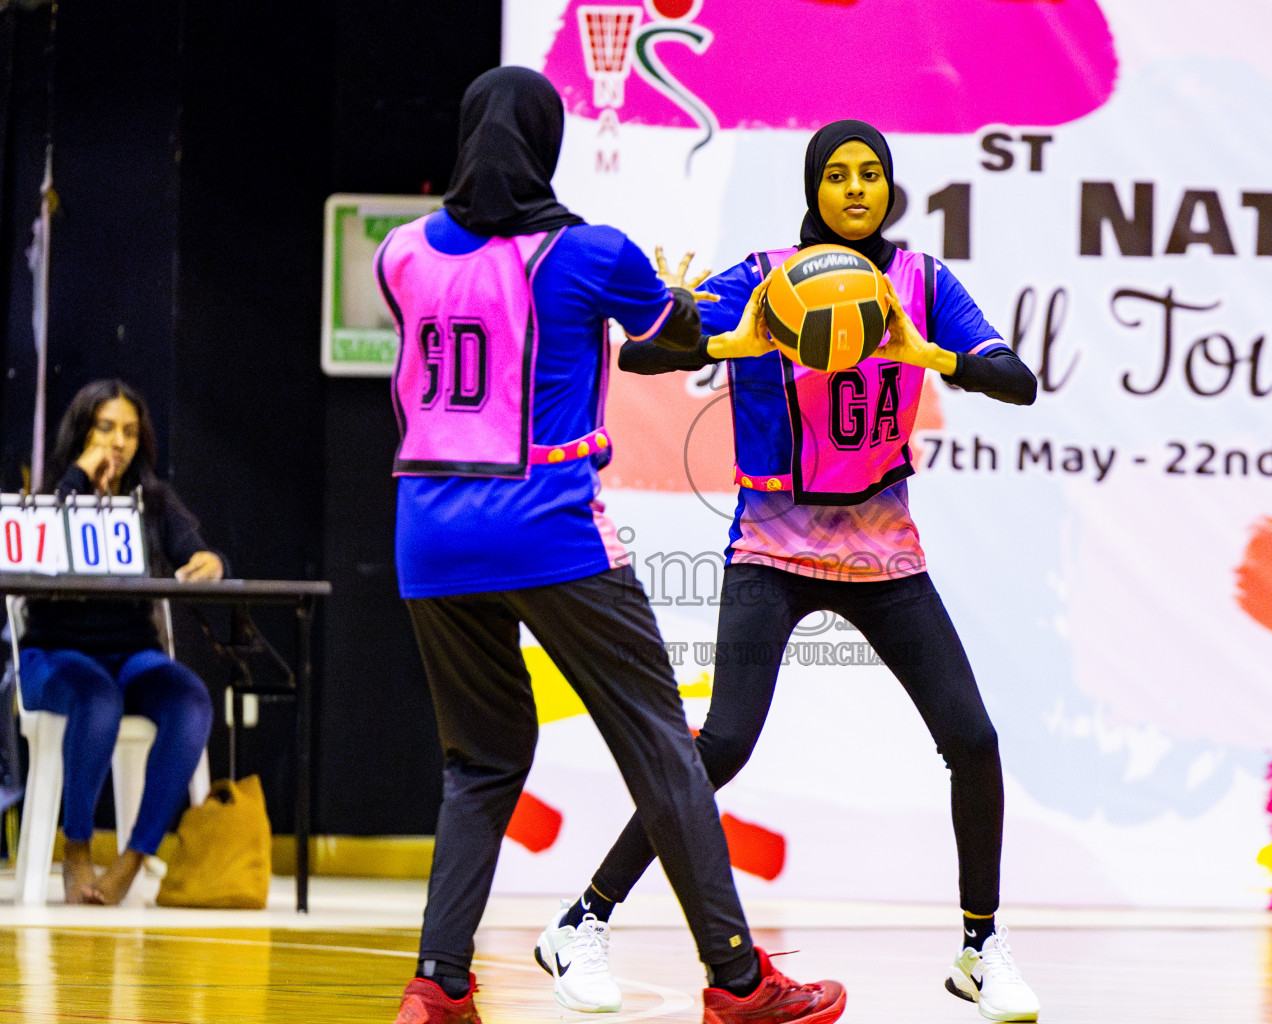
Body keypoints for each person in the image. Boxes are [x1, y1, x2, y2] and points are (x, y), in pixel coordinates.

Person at [539, 120, 1041, 1023]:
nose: (857, 187)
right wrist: (727, 334)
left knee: (973, 739)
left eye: (872, 174)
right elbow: (646, 350)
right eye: (838, 175)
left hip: (882, 546)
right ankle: (583, 920)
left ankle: (980, 947)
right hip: (774, 542)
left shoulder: (920, 282)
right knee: (721, 743)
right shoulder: (769, 276)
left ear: (889, 188)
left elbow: (1016, 378)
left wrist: (929, 356)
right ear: (814, 189)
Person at [377, 66, 845, 1024]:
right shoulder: (589, 252)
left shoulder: (399, 253)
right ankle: (738, 980)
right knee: (661, 746)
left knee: (481, 759)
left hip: (426, 537)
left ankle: (438, 983)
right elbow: (674, 337)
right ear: (546, 145)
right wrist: (759, 319)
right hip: (546, 530)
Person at [18, 379, 221, 905]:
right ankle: (77, 845)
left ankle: (134, 858)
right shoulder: (49, 494)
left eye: (130, 431)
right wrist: (83, 476)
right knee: (97, 695)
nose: (118, 442)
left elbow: (196, 553)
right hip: (55, 655)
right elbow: (39, 544)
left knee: (190, 699)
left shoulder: (151, 499)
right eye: (105, 427)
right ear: (82, 431)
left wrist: (209, 563)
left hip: (130, 653)